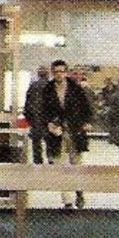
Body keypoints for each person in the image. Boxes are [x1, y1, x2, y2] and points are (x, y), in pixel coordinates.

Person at [42, 59, 93, 208]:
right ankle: (67, 201)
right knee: (62, 167)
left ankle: (79, 192)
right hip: (57, 134)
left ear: (66, 72)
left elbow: (86, 108)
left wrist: (87, 122)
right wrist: (49, 124)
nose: (59, 74)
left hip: (74, 132)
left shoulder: (76, 89)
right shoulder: (47, 90)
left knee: (77, 165)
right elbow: (43, 111)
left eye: (62, 71)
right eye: (56, 72)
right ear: (52, 73)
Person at [23, 66, 50, 164]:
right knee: (50, 142)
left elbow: (27, 104)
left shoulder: (33, 86)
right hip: (48, 120)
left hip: (35, 119)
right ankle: (51, 163)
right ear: (48, 74)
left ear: (38, 74)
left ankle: (38, 163)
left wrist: (29, 118)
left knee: (36, 144)